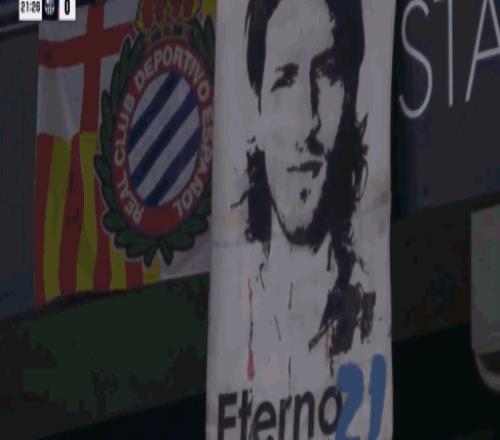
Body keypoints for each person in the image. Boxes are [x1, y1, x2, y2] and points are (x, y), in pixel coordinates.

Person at [238, 0, 375, 378]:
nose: (306, 122)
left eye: (326, 73)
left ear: (350, 97)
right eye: (284, 80)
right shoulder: (235, 318)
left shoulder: (371, 305)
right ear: (257, 109)